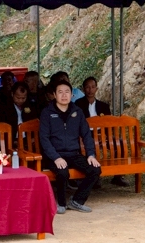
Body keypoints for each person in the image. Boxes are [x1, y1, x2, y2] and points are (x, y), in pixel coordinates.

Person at [40, 79, 101, 213]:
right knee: (62, 171)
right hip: (54, 155)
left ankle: (77, 201)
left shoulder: (77, 111)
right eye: (60, 92)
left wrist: (91, 154)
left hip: (73, 154)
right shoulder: (47, 112)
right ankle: (61, 204)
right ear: (54, 95)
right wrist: (56, 157)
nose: (64, 95)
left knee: (95, 170)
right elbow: (44, 138)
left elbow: (86, 135)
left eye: (67, 92)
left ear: (72, 94)